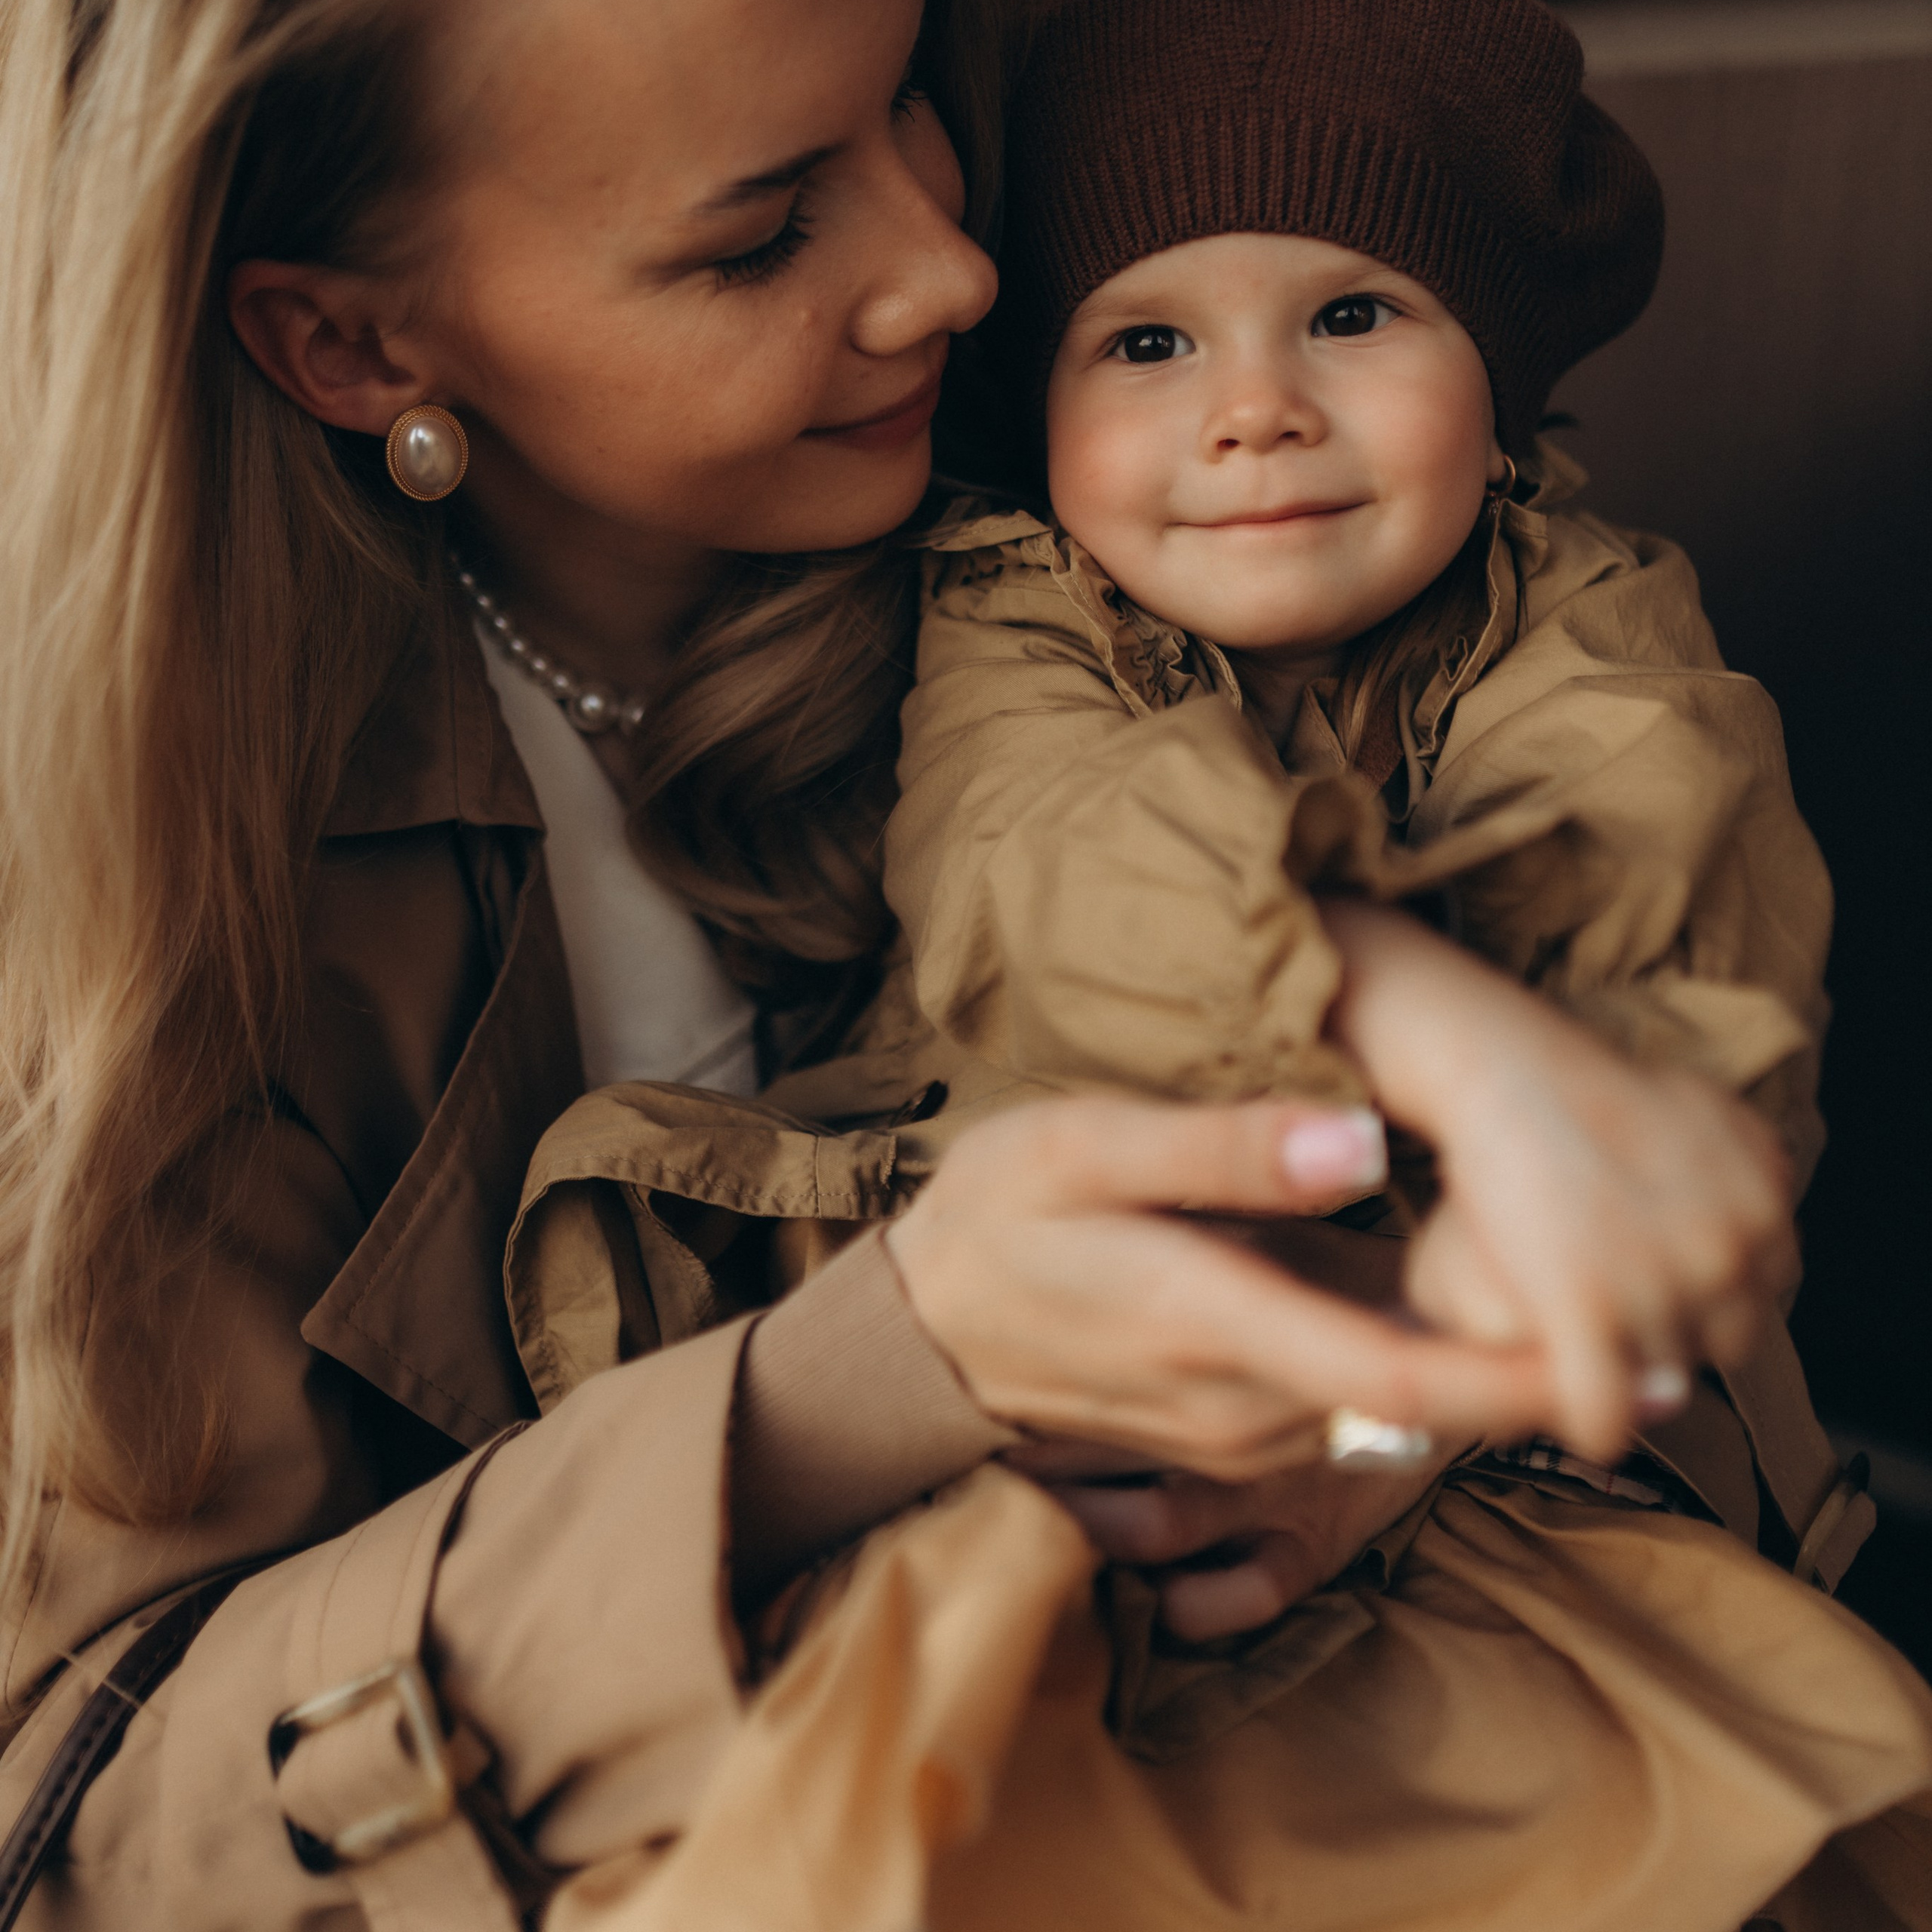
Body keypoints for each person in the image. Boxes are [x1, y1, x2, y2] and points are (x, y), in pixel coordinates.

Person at [0, 2, 1907, 1930]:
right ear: (354, 342)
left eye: (905, 96)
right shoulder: (163, 914)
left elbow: (1660, 1020)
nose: (958, 264)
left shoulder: (1205, 543)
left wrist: (1387, 1401)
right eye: (756, 234)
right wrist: (860, 1379)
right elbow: (83, 1819)